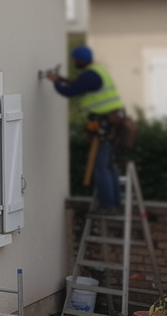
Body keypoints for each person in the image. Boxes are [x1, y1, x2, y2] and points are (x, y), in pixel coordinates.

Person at [48, 46, 125, 211]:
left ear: (81, 60)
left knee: (101, 166)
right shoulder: (97, 70)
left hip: (105, 123)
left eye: (75, 60)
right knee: (109, 165)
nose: (75, 63)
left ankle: (108, 205)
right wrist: (61, 78)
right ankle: (115, 203)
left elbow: (71, 91)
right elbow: (78, 84)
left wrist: (55, 81)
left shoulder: (90, 74)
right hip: (114, 120)